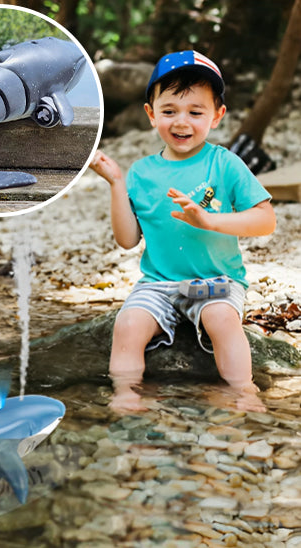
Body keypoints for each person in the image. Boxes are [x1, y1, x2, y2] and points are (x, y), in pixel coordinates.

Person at [90, 50, 276, 413]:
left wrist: (210, 221)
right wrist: (116, 182)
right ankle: (126, 393)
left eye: (196, 112)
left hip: (217, 280)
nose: (182, 122)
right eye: (170, 110)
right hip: (158, 282)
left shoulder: (224, 164)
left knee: (222, 319)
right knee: (128, 324)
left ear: (217, 116)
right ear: (151, 113)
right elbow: (128, 240)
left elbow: (265, 219)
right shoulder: (142, 172)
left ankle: (243, 391)